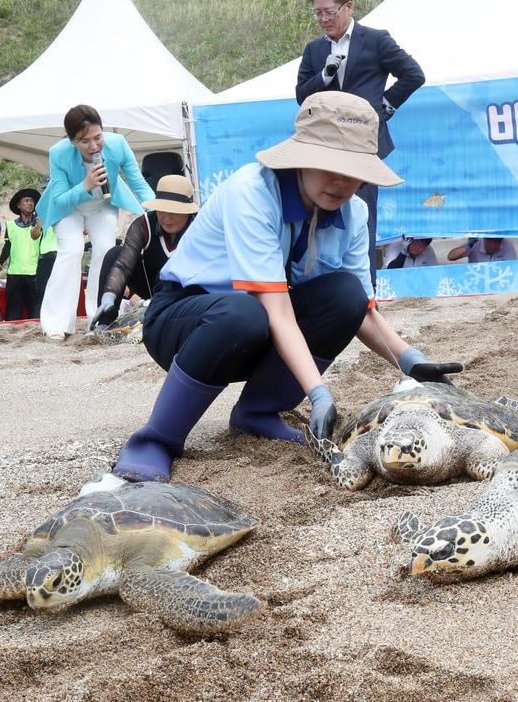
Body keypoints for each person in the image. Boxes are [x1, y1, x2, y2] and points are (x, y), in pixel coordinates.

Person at [112, 91, 461, 483]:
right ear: (301, 157)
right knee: (245, 313)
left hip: (261, 324)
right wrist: (317, 392)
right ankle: (156, 439)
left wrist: (410, 361)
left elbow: (362, 309)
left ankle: (256, 412)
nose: (342, 181)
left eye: (354, 169)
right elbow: (275, 309)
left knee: (344, 295)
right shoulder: (253, 192)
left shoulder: (354, 213)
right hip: (183, 321)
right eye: (329, 165)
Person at [296, 0, 425, 275]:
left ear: (348, 6)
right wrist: (324, 77)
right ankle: (325, 285)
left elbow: (413, 75)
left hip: (363, 146)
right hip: (324, 149)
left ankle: (367, 298)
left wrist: (384, 109)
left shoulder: (376, 40)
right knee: (321, 217)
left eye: (329, 12)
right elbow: (302, 95)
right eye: (318, 13)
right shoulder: (314, 50)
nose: (324, 19)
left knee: (361, 219)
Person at [38, 104, 154, 341]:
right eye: (84, 141)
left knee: (105, 249)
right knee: (72, 249)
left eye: (97, 137)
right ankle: (56, 323)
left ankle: (98, 316)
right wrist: (85, 186)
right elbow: (60, 199)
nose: (93, 146)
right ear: (72, 141)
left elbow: (138, 182)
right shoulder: (58, 153)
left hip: (103, 203)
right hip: (69, 205)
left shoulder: (118, 144)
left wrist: (155, 211)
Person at [88, 174, 198, 330]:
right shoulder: (144, 223)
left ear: (187, 211)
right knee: (115, 253)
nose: (167, 218)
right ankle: (105, 322)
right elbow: (123, 264)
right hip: (149, 285)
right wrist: (109, 295)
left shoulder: (199, 226)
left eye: (173, 212)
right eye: (162, 212)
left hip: (185, 290)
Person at [0, 188, 42, 321]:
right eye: (26, 201)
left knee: (35, 310)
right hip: (14, 273)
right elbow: (8, 246)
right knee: (13, 310)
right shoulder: (10, 225)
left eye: (32, 201)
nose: (30, 203)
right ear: (18, 205)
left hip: (34, 272)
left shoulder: (40, 224)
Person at [447, 237, 517, 264]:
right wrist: (468, 246)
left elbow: (513, 265)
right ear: (484, 239)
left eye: (497, 243)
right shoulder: (475, 242)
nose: (493, 246)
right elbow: (451, 256)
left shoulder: (507, 243)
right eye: (490, 242)